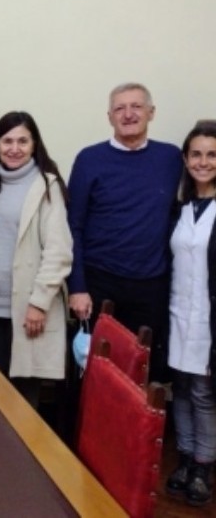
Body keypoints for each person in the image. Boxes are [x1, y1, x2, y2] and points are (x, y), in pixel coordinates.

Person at [67, 82, 182, 379]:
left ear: (151, 113)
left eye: (136, 107)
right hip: (99, 283)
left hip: (150, 286)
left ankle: (132, 428)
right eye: (120, 108)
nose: (128, 114)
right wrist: (77, 287)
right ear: (109, 117)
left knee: (140, 371)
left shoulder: (171, 159)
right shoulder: (89, 159)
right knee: (93, 369)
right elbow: (73, 226)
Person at [0, 111, 72, 408]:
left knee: (22, 397)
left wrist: (39, 303)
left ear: (34, 145)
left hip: (26, 311)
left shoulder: (47, 186)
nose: (14, 148)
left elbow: (58, 252)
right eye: (7, 140)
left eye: (22, 141)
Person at [165, 123, 216, 508]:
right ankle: (183, 457)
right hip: (178, 314)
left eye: (212, 155)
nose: (203, 162)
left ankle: (203, 465)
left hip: (208, 322)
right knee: (179, 389)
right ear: (186, 159)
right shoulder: (180, 207)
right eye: (196, 154)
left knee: (203, 394)